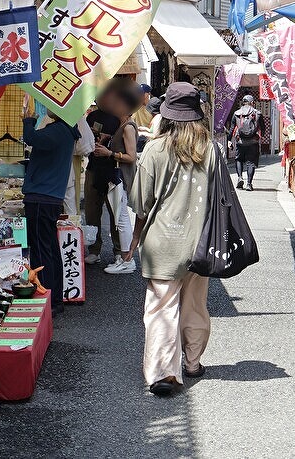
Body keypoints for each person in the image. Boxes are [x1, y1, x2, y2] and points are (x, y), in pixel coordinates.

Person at [129, 82, 218, 396]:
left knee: (162, 308)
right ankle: (192, 363)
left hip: (163, 244)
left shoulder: (155, 148)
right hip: (202, 242)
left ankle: (165, 373)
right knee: (195, 305)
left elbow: (140, 201)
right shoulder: (211, 148)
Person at [21, 93, 79, 314]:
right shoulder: (66, 131)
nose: (50, 107)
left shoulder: (58, 131)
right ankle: (55, 299)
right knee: (50, 249)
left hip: (41, 197)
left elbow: (31, 138)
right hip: (50, 197)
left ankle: (47, 297)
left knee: (41, 250)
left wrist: (28, 118)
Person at [102, 83, 142, 274]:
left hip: (122, 178)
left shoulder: (127, 127)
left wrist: (110, 153)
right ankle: (125, 258)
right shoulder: (123, 125)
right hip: (117, 178)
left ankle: (127, 260)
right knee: (120, 217)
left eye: (116, 102)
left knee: (122, 218)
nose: (113, 105)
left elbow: (131, 157)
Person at [84, 84, 122, 265]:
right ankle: (94, 249)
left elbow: (127, 141)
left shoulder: (120, 117)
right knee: (92, 212)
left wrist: (109, 138)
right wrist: (92, 136)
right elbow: (83, 140)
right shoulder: (91, 116)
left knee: (116, 213)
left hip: (113, 170)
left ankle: (119, 251)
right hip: (93, 168)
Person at [229, 94, 264, 191]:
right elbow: (263, 127)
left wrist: (229, 140)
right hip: (253, 142)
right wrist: (262, 136)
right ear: (252, 102)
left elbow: (232, 128)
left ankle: (240, 177)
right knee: (251, 162)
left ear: (243, 103)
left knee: (239, 159)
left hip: (240, 141)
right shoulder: (257, 113)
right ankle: (249, 184)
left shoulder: (237, 113)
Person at [64, 114, 95, 218]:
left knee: (69, 200)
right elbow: (87, 147)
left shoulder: (76, 117)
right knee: (70, 203)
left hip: (68, 164)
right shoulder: (75, 115)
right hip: (69, 165)